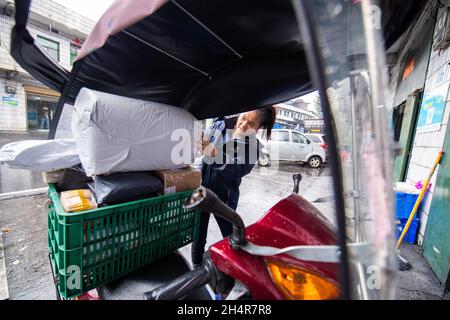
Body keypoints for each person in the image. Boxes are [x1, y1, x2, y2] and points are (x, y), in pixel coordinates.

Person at [191, 106, 276, 267]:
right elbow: (205, 142)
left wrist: (213, 152)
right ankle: (196, 267)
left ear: (258, 128)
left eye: (251, 124)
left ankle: (240, 270)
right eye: (243, 118)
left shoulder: (253, 147)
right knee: (198, 234)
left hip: (225, 198)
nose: (243, 125)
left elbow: (235, 170)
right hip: (203, 188)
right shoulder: (221, 124)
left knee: (231, 237)